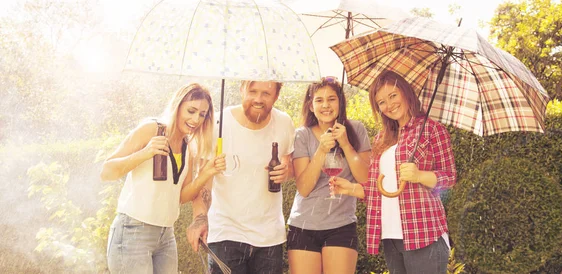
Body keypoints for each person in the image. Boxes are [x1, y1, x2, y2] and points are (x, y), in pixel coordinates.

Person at [331, 70, 456, 274]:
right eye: (381, 102)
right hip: (391, 236)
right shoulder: (382, 138)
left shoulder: (432, 129)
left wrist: (419, 176)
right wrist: (350, 188)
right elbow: (377, 189)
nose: (389, 105)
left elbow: (449, 178)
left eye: (393, 96)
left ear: (406, 93)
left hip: (424, 233)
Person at [101, 83, 225, 274]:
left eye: (202, 114)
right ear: (178, 106)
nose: (196, 119)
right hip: (133, 231)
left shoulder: (188, 146)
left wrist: (207, 173)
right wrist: (145, 153)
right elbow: (107, 171)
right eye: (191, 111)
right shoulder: (151, 129)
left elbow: (181, 196)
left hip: (166, 235)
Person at [186, 80, 295, 274]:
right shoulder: (217, 124)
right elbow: (204, 181)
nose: (258, 99)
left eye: (266, 94)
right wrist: (200, 218)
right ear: (242, 89)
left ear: (277, 96)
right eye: (253, 91)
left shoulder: (284, 123)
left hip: (270, 237)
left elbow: (290, 164)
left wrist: (287, 171)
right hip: (226, 234)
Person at [287, 77, 371, 274]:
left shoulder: (356, 130)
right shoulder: (302, 135)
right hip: (303, 225)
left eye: (332, 99)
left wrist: (346, 144)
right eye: (319, 100)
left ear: (340, 102)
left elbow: (366, 179)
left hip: (341, 225)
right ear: (310, 105)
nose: (325, 105)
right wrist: (321, 151)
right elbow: (304, 188)